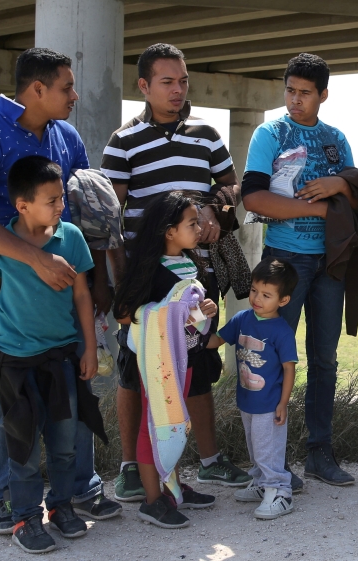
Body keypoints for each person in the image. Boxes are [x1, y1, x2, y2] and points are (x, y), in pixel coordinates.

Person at [0, 47, 121, 533]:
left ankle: (77, 489)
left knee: (74, 382)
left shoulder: (65, 136)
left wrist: (96, 279)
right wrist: (35, 258)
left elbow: (83, 210)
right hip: (6, 287)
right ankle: (2, 496)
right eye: (67, 87)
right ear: (37, 90)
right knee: (4, 394)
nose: (74, 96)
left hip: (65, 286)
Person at [101, 43, 251, 501]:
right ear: (144, 86)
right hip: (144, 276)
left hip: (195, 272)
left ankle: (208, 462)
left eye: (183, 80)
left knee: (196, 367)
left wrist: (212, 207)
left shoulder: (206, 135)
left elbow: (232, 189)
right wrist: (121, 280)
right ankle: (132, 469)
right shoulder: (122, 142)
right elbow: (109, 213)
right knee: (135, 370)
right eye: (167, 81)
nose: (177, 89)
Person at [0, 156, 104, 553]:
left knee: (64, 444)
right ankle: (25, 517)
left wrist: (89, 348)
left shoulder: (72, 238)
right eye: (51, 200)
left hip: (60, 361)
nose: (60, 206)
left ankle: (61, 507)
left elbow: (82, 295)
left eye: (61, 198)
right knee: (23, 449)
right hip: (14, 365)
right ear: (22, 205)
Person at [242, 52, 358, 486]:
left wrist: (339, 186)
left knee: (324, 360)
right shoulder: (270, 132)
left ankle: (319, 454)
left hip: (331, 261)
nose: (295, 100)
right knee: (270, 358)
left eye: (305, 93)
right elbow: (253, 198)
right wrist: (310, 205)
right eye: (290, 90)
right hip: (283, 261)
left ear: (323, 95)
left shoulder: (336, 139)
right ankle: (270, 464)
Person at [112, 192, 219, 528]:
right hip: (157, 366)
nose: (200, 227)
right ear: (169, 231)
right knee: (154, 425)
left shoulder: (191, 262)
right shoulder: (149, 268)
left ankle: (171, 487)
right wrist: (180, 314)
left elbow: (190, 310)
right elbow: (126, 314)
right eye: (192, 223)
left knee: (175, 423)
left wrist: (205, 311)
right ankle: (152, 500)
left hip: (182, 360)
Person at [207, 257, 299, 518]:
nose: (257, 298)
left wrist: (283, 403)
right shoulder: (242, 319)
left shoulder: (282, 331)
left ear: (283, 300)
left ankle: (280, 492)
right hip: (247, 401)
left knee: (268, 449)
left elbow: (289, 368)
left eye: (267, 295)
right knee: (255, 446)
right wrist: (191, 332)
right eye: (254, 291)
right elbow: (216, 340)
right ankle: (261, 484)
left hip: (270, 405)